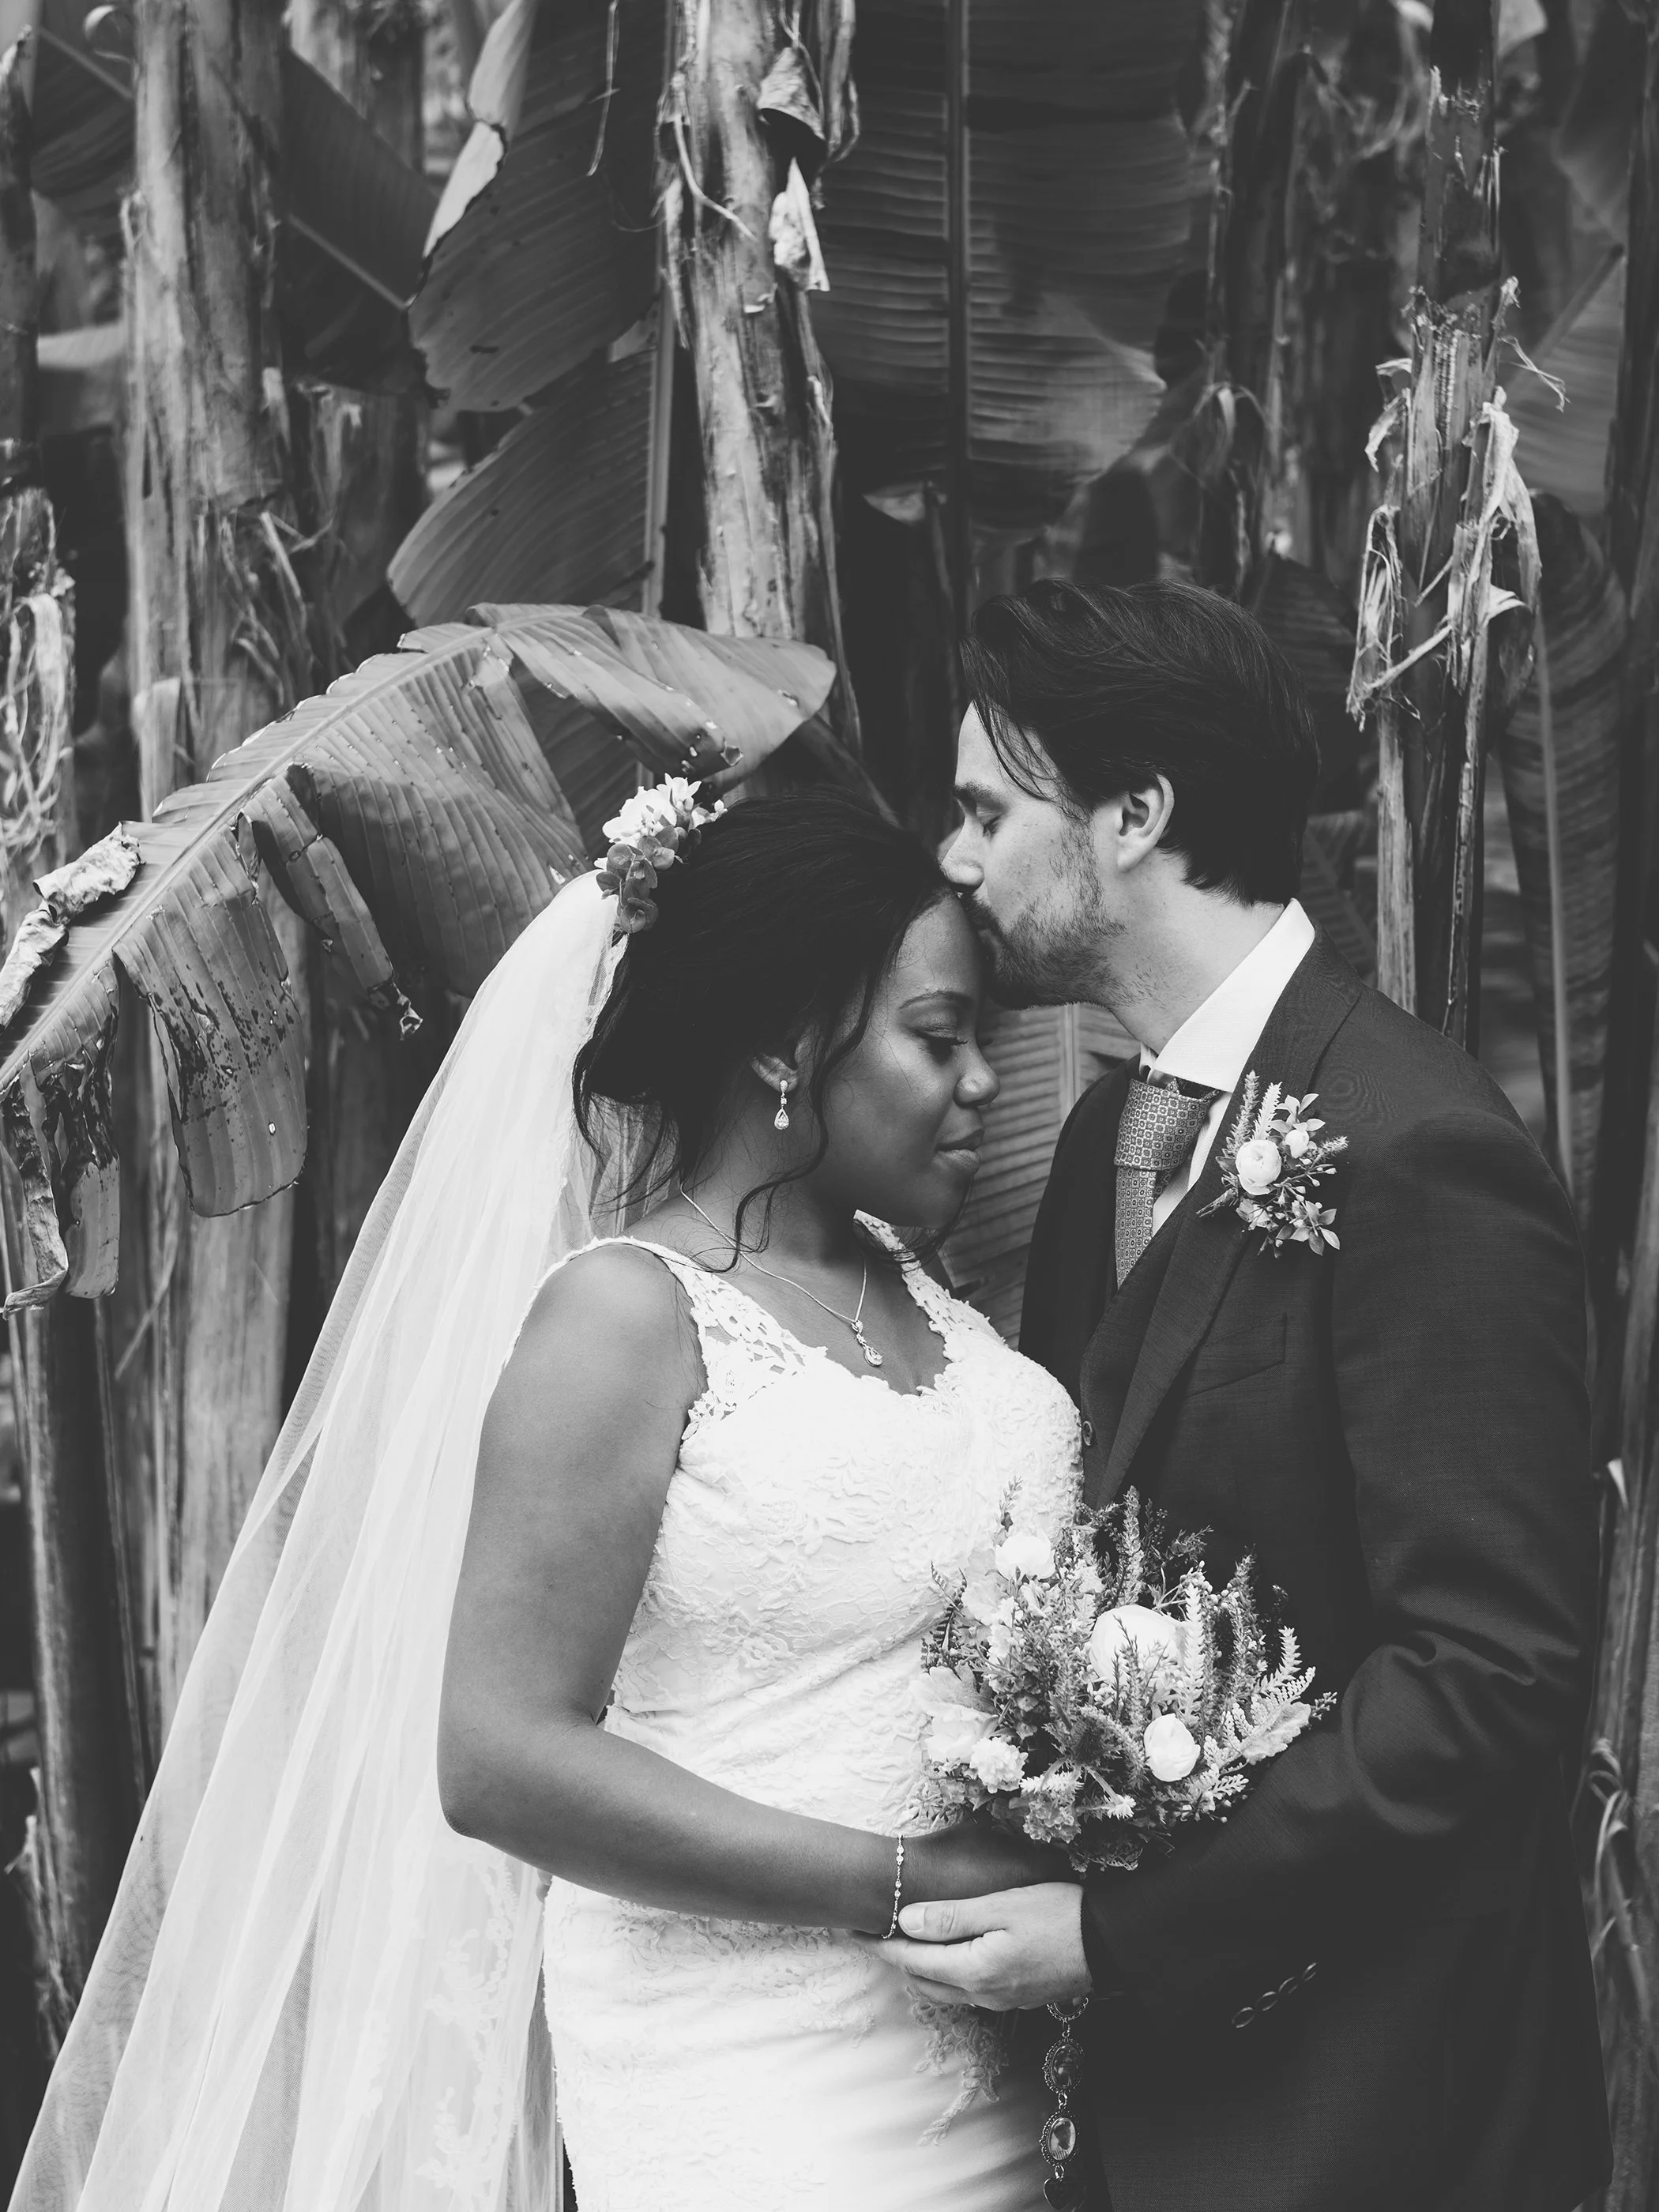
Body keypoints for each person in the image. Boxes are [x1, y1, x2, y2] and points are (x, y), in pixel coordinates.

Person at [8, 788, 1083, 2212]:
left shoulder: (920, 1289)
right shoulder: (627, 1321)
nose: (985, 1085)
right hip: (762, 2075)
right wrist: (908, 1876)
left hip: (1008, 2044)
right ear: (781, 1041)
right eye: (938, 1040)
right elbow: (500, 1758)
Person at [872, 578, 1612, 2212]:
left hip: (1379, 2103)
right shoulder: (1102, 1145)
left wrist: (1130, 1934)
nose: (956, 855)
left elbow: (1490, 1675)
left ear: (1135, 815)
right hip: (1158, 2109)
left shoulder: (1422, 1152)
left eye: (993, 808)